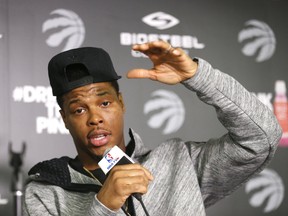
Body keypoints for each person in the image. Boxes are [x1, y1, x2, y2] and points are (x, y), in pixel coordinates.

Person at [23, 40, 282, 216]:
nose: (95, 118)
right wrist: (104, 205)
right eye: (79, 109)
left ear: (121, 103)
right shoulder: (45, 193)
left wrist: (199, 77)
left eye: (104, 102)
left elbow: (262, 137)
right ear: (64, 118)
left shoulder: (179, 163)